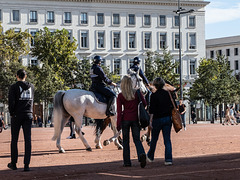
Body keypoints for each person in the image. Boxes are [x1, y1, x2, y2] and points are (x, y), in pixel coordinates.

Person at [117, 75, 147, 168]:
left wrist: (118, 124)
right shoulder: (137, 92)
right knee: (137, 139)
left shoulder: (121, 95)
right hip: (135, 119)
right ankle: (141, 153)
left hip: (125, 119)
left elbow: (119, 111)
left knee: (125, 141)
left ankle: (127, 162)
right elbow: (145, 104)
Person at [7, 69, 34, 171]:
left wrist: (12, 113)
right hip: (28, 114)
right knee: (28, 140)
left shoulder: (14, 87)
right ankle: (26, 165)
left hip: (17, 115)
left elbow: (11, 102)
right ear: (25, 76)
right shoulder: (31, 86)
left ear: (16, 76)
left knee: (14, 139)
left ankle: (13, 163)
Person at [147, 77, 174, 166]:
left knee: (154, 139)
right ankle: (168, 159)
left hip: (157, 119)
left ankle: (150, 156)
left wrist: (150, 122)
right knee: (167, 140)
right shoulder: (168, 94)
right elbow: (172, 106)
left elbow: (152, 110)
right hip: (167, 118)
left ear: (155, 85)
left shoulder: (153, 95)